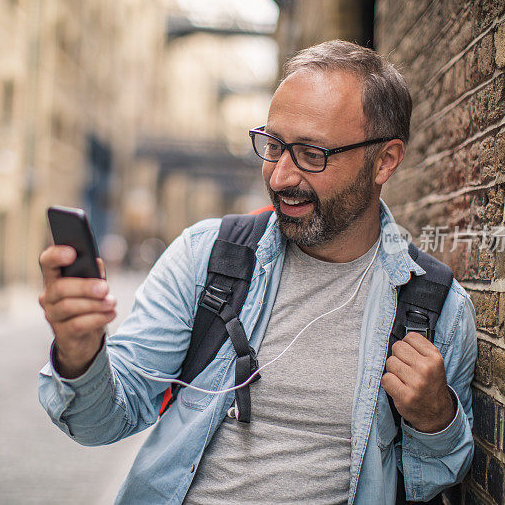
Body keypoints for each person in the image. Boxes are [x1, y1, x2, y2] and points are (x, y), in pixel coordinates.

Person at [37, 40, 477, 504]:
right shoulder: (205, 256)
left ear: (384, 161)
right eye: (273, 145)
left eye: (311, 154)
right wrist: (80, 355)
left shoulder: (435, 309)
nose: (281, 176)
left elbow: (432, 483)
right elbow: (101, 421)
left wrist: (436, 419)